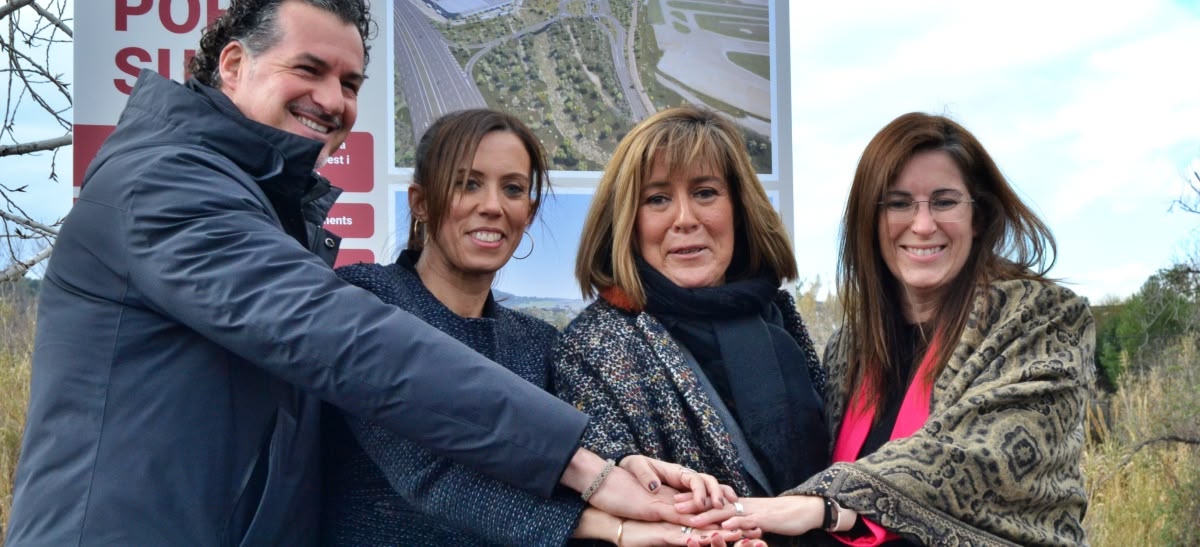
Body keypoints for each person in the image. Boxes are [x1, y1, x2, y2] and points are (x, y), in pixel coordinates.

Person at [4, 1, 695, 544]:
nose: (333, 99)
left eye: (350, 82)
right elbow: (351, 342)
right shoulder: (163, 181)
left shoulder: (270, 207)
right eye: (309, 69)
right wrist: (586, 467)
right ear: (234, 65)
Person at [322, 108, 751, 547]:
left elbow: (578, 446)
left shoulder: (538, 344)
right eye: (467, 183)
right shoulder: (367, 299)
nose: (492, 206)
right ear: (421, 201)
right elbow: (427, 472)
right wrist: (616, 527)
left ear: (528, 212)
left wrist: (630, 465)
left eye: (512, 188)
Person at [682, 112, 1096, 546]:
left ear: (978, 217)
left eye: (944, 201)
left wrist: (825, 504)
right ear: (871, 221)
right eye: (898, 203)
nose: (922, 224)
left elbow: (983, 457)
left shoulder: (1045, 319)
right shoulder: (851, 347)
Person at [554, 105, 830, 544]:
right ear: (627, 219)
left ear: (739, 208)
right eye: (658, 198)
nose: (685, 218)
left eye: (705, 192)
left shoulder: (778, 317)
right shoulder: (593, 345)